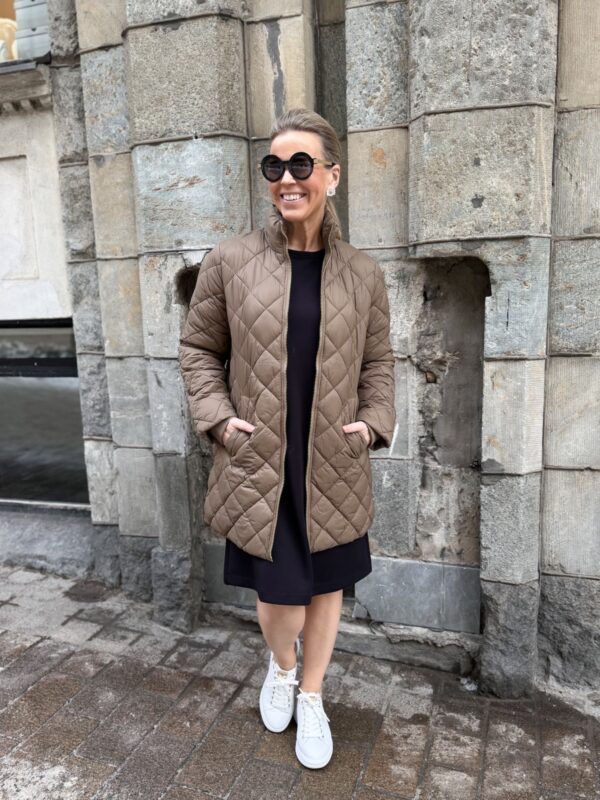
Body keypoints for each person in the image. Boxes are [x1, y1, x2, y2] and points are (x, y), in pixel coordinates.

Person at [179, 108, 396, 769]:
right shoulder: (231, 261)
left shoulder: (363, 273)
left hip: (332, 454)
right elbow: (198, 348)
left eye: (301, 163)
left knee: (326, 586)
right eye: (274, 166)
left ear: (332, 175)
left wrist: (373, 421)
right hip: (259, 458)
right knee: (278, 595)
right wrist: (219, 419)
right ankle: (280, 666)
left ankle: (312, 693)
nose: (287, 178)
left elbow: (379, 361)